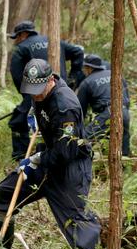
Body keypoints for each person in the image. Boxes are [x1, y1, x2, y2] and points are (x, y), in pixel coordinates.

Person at [0, 59, 100, 249]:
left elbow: (67, 151)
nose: (35, 96)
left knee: (80, 232)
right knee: (4, 193)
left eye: (37, 92)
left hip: (70, 169)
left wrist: (37, 158)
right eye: (30, 91)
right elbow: (41, 116)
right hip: (50, 158)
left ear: (50, 81)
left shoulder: (65, 106)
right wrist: (34, 116)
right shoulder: (38, 91)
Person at [8, 20, 85, 160]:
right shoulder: (54, 41)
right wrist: (73, 80)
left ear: (23, 34)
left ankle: (20, 156)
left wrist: (26, 93)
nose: (16, 41)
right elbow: (78, 52)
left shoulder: (21, 48)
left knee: (17, 121)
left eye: (17, 37)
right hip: (60, 87)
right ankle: (45, 153)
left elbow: (16, 73)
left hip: (37, 90)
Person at [76, 54, 131, 156]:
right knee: (123, 144)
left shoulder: (86, 82)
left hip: (108, 113)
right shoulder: (115, 74)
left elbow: (80, 110)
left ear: (88, 68)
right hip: (125, 112)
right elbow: (127, 96)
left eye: (84, 68)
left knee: (84, 140)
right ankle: (124, 168)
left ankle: (80, 165)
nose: (83, 70)